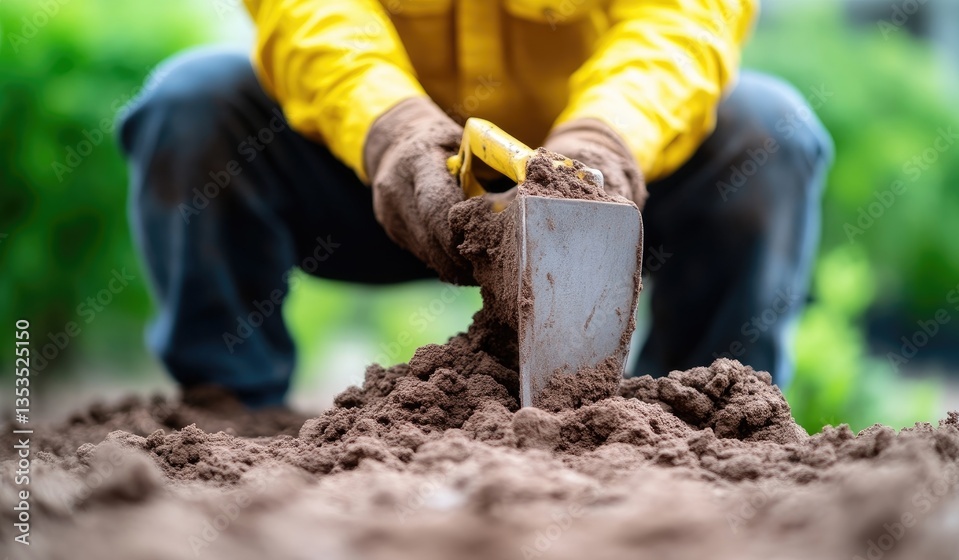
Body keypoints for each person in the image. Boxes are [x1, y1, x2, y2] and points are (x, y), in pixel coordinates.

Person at [118, 0, 832, 408]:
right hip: (370, 176)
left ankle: (694, 423)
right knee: (192, 106)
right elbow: (311, 13)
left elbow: (683, 20)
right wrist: (392, 131)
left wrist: (602, 142)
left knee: (770, 134)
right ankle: (230, 415)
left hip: (611, 193)